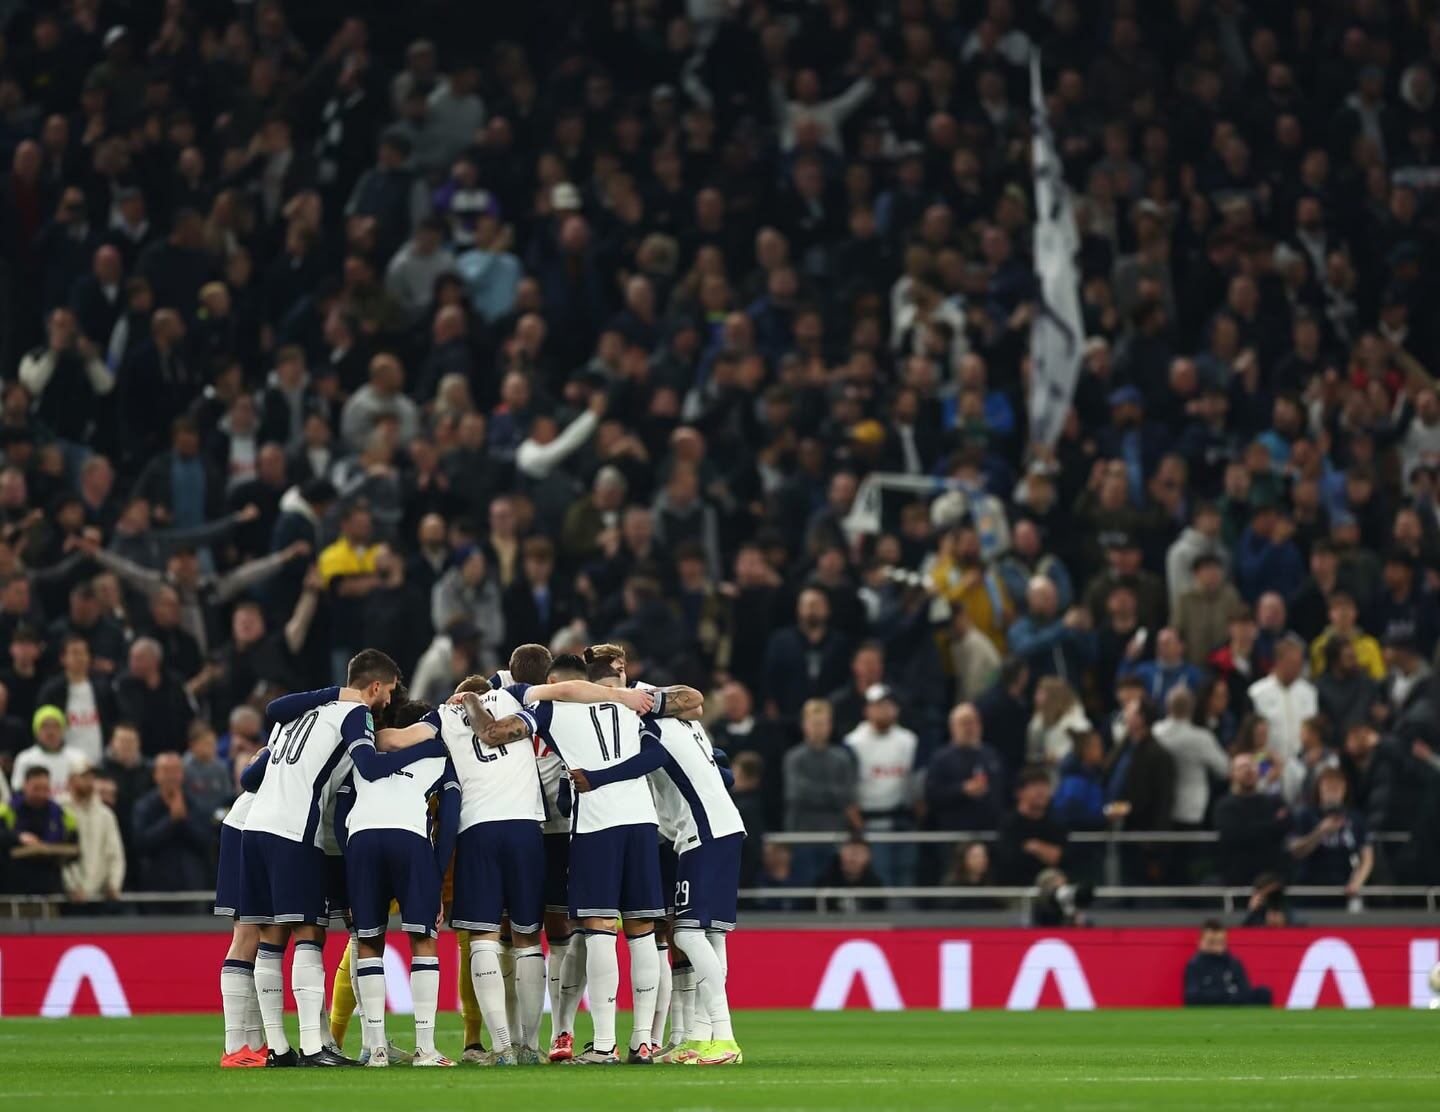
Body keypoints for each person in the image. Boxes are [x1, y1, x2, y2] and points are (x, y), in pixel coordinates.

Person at [466, 644, 664, 1065]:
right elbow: (678, 719)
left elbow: (494, 732)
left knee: (595, 931)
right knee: (642, 932)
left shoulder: (551, 708)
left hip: (594, 826)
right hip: (644, 823)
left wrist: (470, 697)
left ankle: (603, 1044)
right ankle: (643, 1040)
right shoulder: (638, 701)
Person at [237, 650, 424, 1067]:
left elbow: (251, 776)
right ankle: (313, 1046)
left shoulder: (300, 714)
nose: (389, 702)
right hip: (294, 833)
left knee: (270, 938)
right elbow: (370, 767)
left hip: (255, 830)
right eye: (389, 692)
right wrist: (425, 749)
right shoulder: (354, 714)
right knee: (309, 934)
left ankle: (278, 1049)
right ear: (374, 686)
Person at [569, 677, 746, 1065]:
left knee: (687, 932)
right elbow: (721, 767)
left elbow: (651, 759)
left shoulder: (652, 726)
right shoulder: (689, 725)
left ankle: (726, 1037)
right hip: (718, 829)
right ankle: (701, 1037)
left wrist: (596, 778)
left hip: (704, 833)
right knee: (711, 936)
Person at [334, 696, 457, 1068]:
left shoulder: (362, 756)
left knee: (368, 941)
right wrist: (434, 878)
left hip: (362, 842)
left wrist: (351, 859)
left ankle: (377, 1049)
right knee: (423, 939)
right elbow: (448, 823)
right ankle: (425, 1049)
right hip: (409, 841)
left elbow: (341, 811)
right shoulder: (440, 758)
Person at [843, 684, 919, 886]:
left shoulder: (909, 740)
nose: (883, 710)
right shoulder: (853, 742)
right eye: (877, 705)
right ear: (866, 710)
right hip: (871, 820)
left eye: (888, 705)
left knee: (907, 874)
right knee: (881, 874)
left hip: (902, 817)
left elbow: (914, 778)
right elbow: (848, 782)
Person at [782, 699, 860, 882]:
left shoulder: (842, 758)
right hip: (802, 837)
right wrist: (831, 794)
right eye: (814, 723)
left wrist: (816, 792)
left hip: (835, 835)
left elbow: (847, 796)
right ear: (805, 725)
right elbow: (796, 793)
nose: (819, 728)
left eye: (823, 723)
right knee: (805, 889)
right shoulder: (794, 757)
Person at [1289, 767, 1374, 903]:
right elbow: (1295, 851)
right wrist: (1320, 832)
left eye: (1338, 787)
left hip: (1341, 888)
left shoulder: (1355, 819)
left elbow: (1367, 857)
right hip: (1308, 888)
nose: (1333, 791)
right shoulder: (1304, 815)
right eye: (1328, 786)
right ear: (1319, 789)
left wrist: (1357, 882)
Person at [1213, 754, 1290, 887]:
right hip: (1238, 877)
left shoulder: (1275, 801)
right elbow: (1235, 835)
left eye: (1252, 766)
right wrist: (1272, 826)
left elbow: (1285, 827)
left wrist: (1250, 828)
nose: (1248, 770)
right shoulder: (1224, 806)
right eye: (1242, 767)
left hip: (1272, 877)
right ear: (1232, 774)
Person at [1, 766, 78, 896]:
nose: (41, 794)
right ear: (25, 785)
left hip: (50, 886)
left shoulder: (61, 814)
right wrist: (18, 837)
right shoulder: (7, 810)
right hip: (13, 886)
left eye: (45, 789)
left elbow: (74, 846)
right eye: (36, 789)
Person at [60, 760, 124, 907]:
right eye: (83, 777)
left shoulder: (105, 814)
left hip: (101, 897)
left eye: (91, 777)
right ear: (71, 780)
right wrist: (71, 887)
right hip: (69, 897)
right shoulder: (59, 810)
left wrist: (114, 884)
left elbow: (115, 854)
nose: (88, 782)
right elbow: (60, 855)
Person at [995, 767, 1067, 884]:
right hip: (1015, 889)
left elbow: (1062, 858)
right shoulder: (1009, 824)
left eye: (1045, 786)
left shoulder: (1056, 823)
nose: (1041, 792)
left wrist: (1036, 847)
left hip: (1049, 892)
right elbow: (1009, 860)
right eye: (1035, 786)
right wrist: (1046, 853)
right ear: (1020, 792)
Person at [1183, 921, 1273, 1006]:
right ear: (1200, 942)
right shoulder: (1195, 965)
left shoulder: (1233, 963)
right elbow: (1192, 997)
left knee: (1263, 993)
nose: (1216, 947)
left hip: (1234, 1006)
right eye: (1211, 942)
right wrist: (1226, 996)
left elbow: (1245, 991)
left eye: (1220, 942)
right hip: (1212, 1007)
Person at [11, 705, 87, 799]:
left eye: (56, 726)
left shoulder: (78, 757)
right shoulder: (25, 759)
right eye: (45, 726)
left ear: (63, 730)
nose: (51, 732)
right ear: (36, 731)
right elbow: (18, 791)